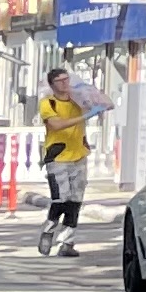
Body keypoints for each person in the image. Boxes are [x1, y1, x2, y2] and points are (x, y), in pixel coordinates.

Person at [35, 66, 93, 258]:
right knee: (61, 198)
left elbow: (103, 105)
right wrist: (82, 117)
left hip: (79, 155)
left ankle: (67, 242)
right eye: (60, 81)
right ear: (52, 85)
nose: (65, 83)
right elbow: (56, 125)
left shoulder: (78, 101)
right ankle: (49, 229)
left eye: (67, 79)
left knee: (75, 201)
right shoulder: (48, 103)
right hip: (58, 156)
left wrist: (92, 98)